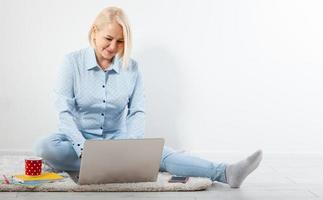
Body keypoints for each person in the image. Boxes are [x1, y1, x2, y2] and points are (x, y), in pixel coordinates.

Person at [34, 6, 262, 188]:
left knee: (163, 154)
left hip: (118, 142)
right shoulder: (71, 63)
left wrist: (132, 147)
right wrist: (84, 149)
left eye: (121, 41)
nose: (113, 47)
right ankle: (114, 165)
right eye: (108, 38)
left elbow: (138, 111)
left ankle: (226, 172)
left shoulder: (131, 68)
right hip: (79, 142)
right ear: (94, 32)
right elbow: (64, 112)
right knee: (46, 146)